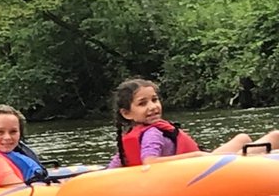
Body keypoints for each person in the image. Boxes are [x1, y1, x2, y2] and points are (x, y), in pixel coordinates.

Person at [107, 77, 279, 168]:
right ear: (126, 113)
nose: (153, 107)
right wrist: (196, 156)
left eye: (154, 100)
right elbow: (150, 162)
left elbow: (115, 167)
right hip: (201, 166)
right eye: (143, 103)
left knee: (242, 138)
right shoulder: (151, 133)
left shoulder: (134, 137)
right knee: (275, 136)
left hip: (203, 163)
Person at [0, 104, 49, 187]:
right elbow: (20, 191)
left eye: (13, 132)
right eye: (0, 132)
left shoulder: (14, 154)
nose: (7, 137)